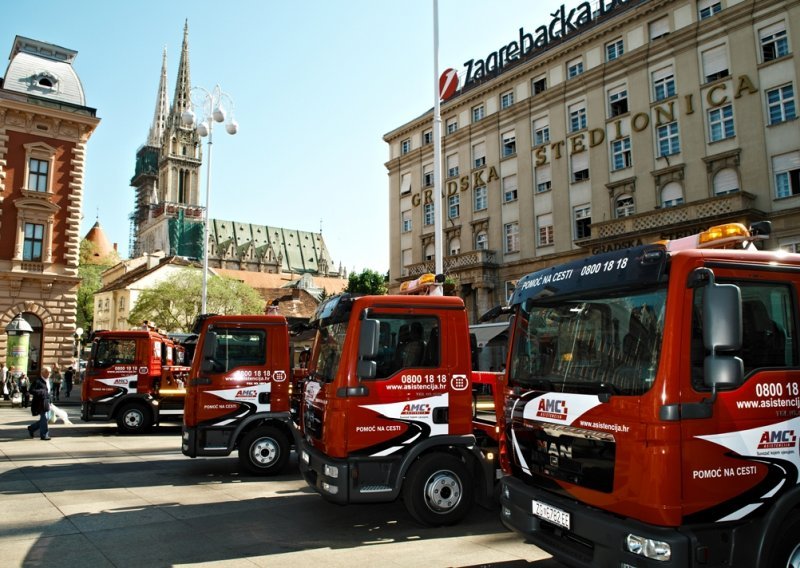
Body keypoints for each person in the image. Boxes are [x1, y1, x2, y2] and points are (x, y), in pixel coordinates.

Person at [27, 366, 52, 440]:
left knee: (47, 418)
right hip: (40, 403)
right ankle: (44, 435)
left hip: (47, 402)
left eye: (50, 372)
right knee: (44, 418)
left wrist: (51, 401)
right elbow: (31, 390)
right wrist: (41, 392)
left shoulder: (48, 380)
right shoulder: (37, 381)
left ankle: (32, 428)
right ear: (43, 372)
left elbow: (48, 392)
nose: (49, 373)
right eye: (47, 372)